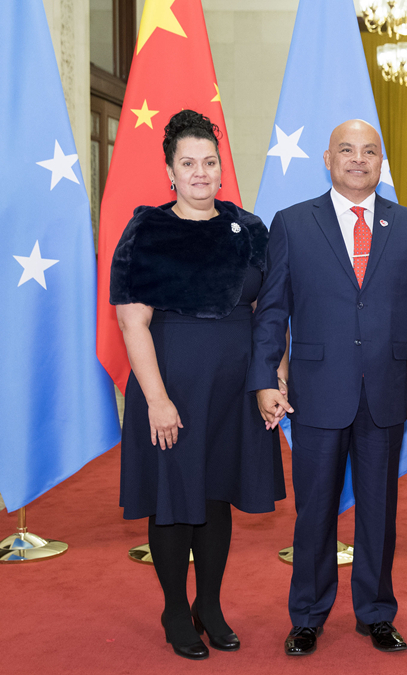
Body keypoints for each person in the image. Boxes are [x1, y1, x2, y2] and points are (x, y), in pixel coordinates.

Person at [248, 119, 407, 656]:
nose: (358, 159)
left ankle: (376, 613)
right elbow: (272, 310)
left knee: (379, 512)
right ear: (327, 158)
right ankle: (308, 615)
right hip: (316, 393)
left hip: (384, 392)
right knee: (314, 510)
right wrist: (265, 377)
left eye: (369, 151)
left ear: (381, 162)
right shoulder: (293, 223)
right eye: (347, 150)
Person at [111, 110, 286, 660]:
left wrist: (273, 374)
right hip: (172, 387)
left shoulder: (250, 228)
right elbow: (132, 322)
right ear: (170, 171)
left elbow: (270, 310)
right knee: (173, 498)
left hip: (234, 391)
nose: (200, 173)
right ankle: (173, 609)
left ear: (221, 169)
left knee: (216, 495)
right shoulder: (147, 231)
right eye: (188, 163)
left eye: (209, 162)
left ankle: (208, 605)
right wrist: (157, 400)